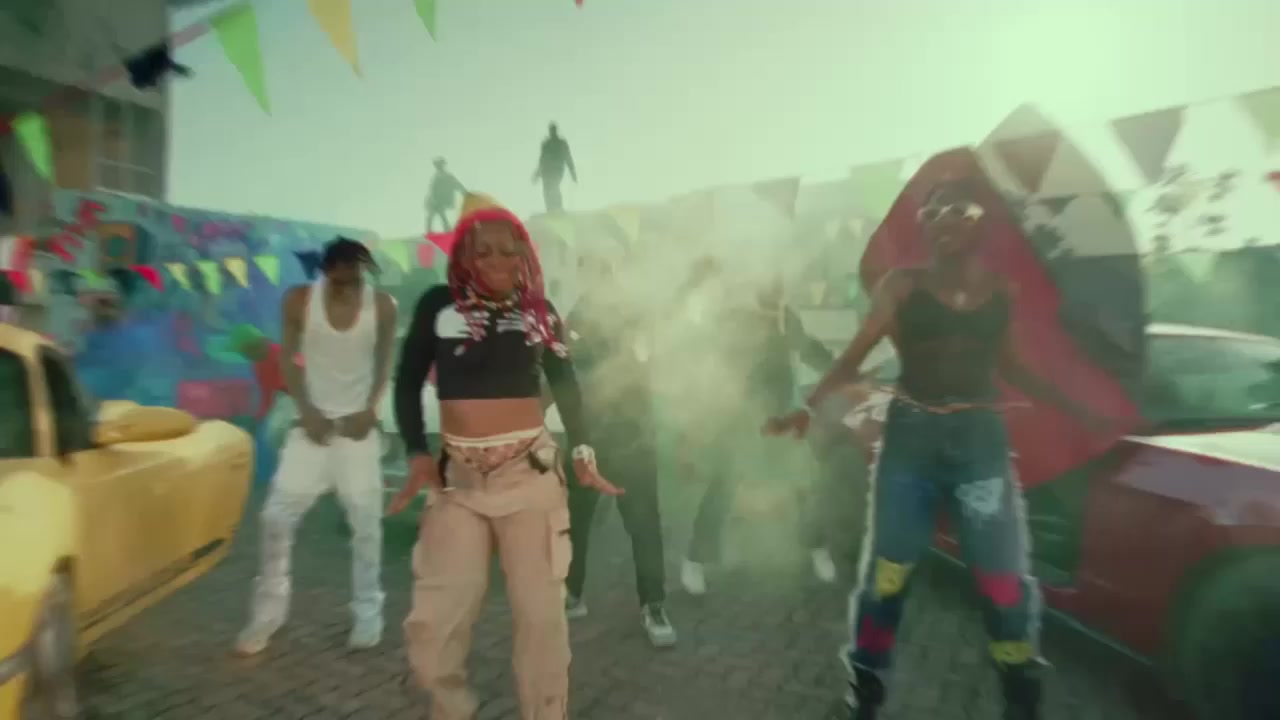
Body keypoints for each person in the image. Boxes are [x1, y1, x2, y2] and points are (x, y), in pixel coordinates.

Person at [764, 180, 1107, 720]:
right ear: (923, 226)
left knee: (1002, 581)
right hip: (911, 445)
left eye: (958, 209)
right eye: (933, 212)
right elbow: (854, 357)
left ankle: (1020, 690)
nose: (944, 219)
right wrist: (808, 408)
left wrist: (1074, 408)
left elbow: (1012, 365)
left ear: (979, 221)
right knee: (888, 574)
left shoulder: (1002, 290)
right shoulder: (901, 286)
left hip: (980, 446)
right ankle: (866, 684)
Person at [387, 193, 621, 720]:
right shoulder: (437, 306)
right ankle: (450, 710)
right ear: (463, 254)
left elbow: (566, 383)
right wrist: (416, 452)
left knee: (541, 621)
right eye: (483, 250)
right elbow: (406, 382)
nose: (497, 261)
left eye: (508, 250)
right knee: (434, 626)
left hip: (529, 478)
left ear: (524, 254)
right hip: (458, 484)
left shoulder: (541, 312)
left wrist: (583, 447)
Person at [234, 237, 397, 656]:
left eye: (355, 280)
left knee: (365, 523)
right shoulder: (299, 301)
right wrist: (306, 411)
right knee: (275, 517)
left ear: (365, 273)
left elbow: (384, 361)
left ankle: (368, 613)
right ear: (324, 272)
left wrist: (371, 409)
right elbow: (287, 359)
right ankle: (268, 613)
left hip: (357, 430)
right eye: (339, 281)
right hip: (310, 428)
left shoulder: (382, 306)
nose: (348, 289)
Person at [680, 275, 836, 595]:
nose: (777, 297)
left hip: (782, 414)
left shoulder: (785, 317)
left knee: (803, 484)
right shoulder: (737, 318)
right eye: (772, 291)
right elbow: (716, 367)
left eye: (779, 292)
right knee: (723, 487)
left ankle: (817, 550)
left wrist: (838, 369)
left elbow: (807, 347)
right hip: (742, 417)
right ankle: (694, 561)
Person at [561, 253, 676, 648]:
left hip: (632, 437)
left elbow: (644, 362)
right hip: (587, 437)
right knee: (575, 519)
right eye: (589, 271)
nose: (597, 281)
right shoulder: (575, 317)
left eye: (602, 272)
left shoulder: (636, 315)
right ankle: (572, 594)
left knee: (643, 524)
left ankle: (653, 604)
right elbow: (564, 367)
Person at [530, 123, 577, 213]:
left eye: (553, 130)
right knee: (547, 189)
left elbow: (568, 157)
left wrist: (572, 172)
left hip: (556, 170)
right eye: (551, 130)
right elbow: (542, 159)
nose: (552, 132)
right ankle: (550, 209)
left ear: (556, 131)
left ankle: (558, 208)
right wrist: (537, 173)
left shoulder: (561, 143)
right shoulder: (546, 144)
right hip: (547, 171)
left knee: (554, 187)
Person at [426, 157, 466, 233]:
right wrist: (432, 199)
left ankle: (445, 228)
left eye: (439, 165)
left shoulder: (447, 176)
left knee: (438, 212)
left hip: (441, 200)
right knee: (435, 213)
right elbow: (432, 190)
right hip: (436, 200)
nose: (438, 167)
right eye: (437, 165)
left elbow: (457, 184)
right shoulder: (436, 177)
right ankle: (437, 229)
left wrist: (465, 193)